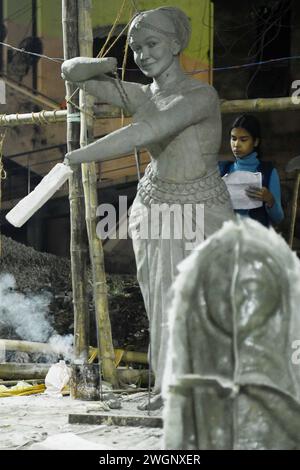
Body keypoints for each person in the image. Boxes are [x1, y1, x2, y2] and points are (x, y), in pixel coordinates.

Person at [61, 6, 234, 408]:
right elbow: (71, 71)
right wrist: (108, 60)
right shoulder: (143, 94)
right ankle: (167, 388)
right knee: (160, 301)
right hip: (154, 205)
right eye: (136, 48)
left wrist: (78, 156)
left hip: (200, 209)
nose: (143, 54)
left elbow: (146, 132)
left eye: (151, 44)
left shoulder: (198, 95)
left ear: (175, 45)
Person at [219, 113, 284, 227]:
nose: (236, 145)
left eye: (243, 140)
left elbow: (279, 218)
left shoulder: (268, 172)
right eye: (233, 139)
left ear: (255, 142)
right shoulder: (223, 170)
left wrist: (270, 199)